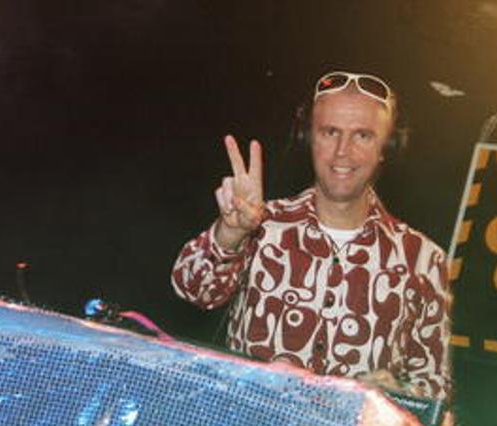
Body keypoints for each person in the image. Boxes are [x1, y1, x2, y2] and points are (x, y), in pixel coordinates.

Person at [171, 70, 451, 401]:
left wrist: (395, 395)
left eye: (362, 136)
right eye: (330, 132)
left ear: (386, 148)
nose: (342, 151)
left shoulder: (424, 260)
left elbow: (434, 390)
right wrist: (230, 233)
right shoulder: (262, 224)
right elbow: (192, 289)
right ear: (309, 139)